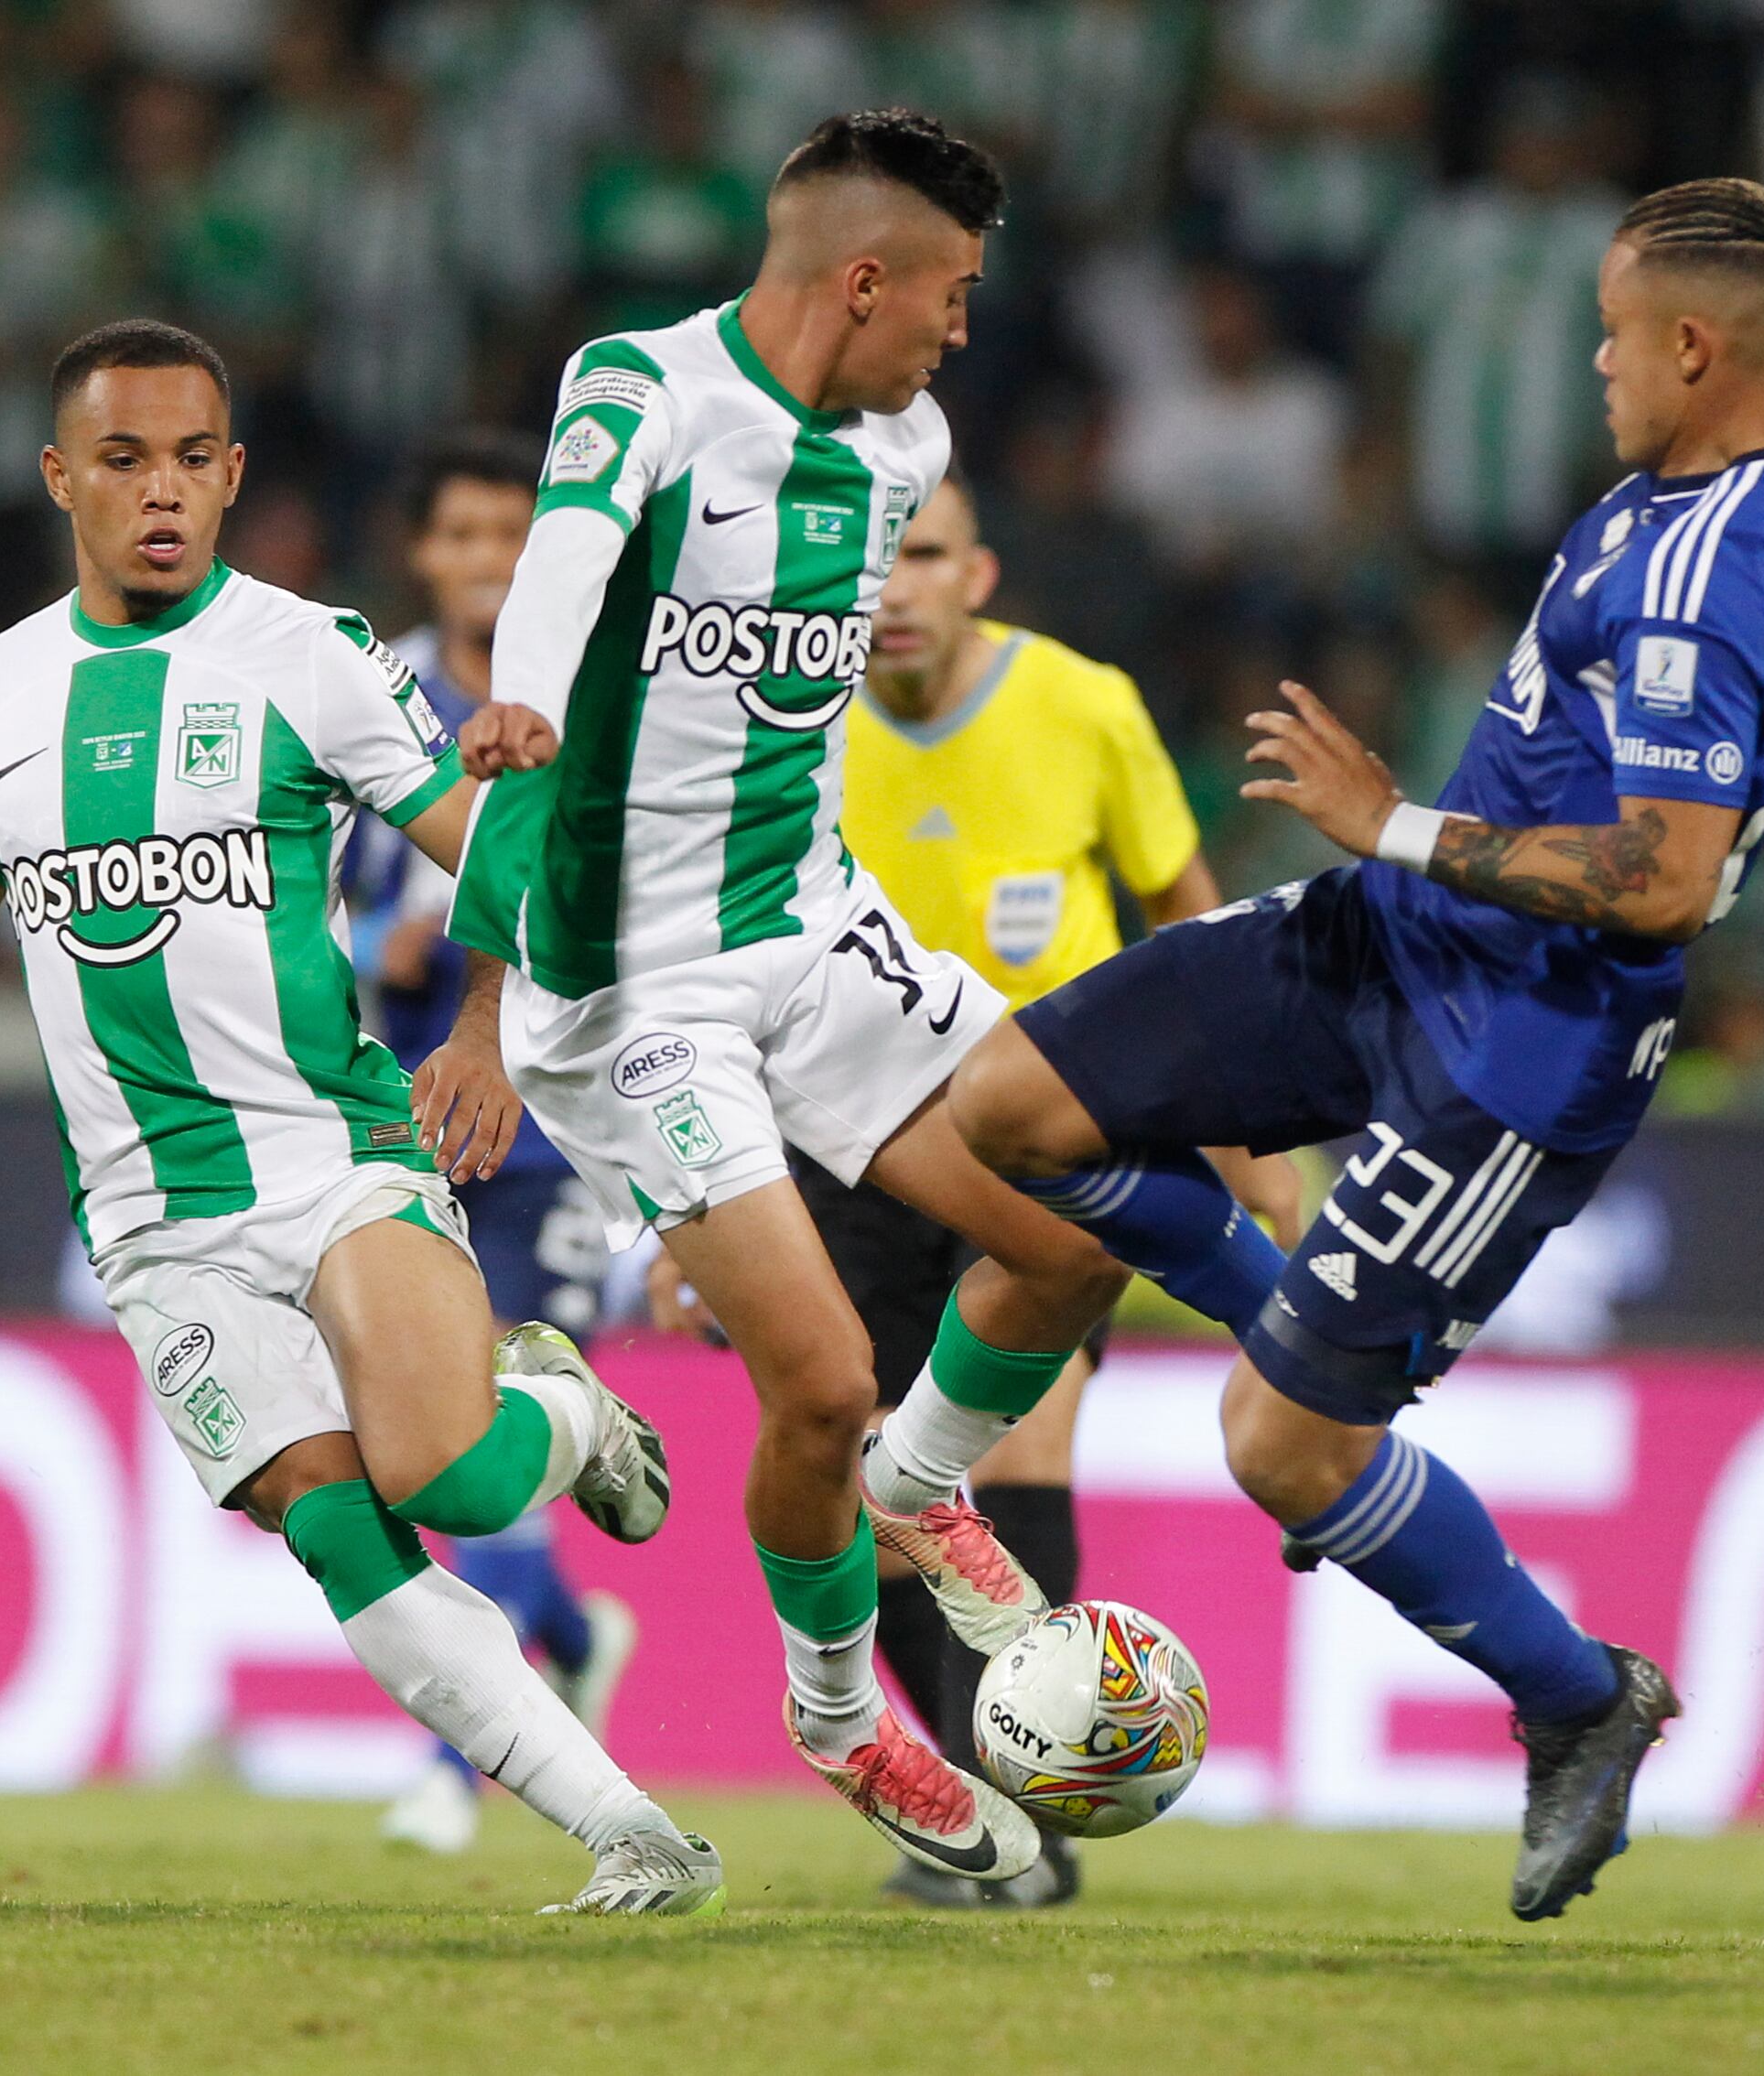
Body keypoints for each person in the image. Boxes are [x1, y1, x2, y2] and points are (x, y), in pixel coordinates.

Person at [946, 177, 1764, 1921]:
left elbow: (1662, 882)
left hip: (1519, 1045)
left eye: (1617, 335)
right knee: (1008, 1105)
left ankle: (1578, 1697)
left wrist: (1393, 821)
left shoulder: (1713, 572)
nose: (1597, 363)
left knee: (1284, 1449)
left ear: (1697, 347)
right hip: (1396, 940)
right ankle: (1299, 1311)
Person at [0, 320, 720, 1919]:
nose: (160, 490)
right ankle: (635, 1832)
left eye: (191, 459)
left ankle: (568, 1420)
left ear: (232, 473)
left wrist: (492, 1028)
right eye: (122, 459)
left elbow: (494, 839)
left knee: (449, 1469)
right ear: (58, 478)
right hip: (152, 1218)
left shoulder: (313, 655)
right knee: (343, 1534)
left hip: (334, 1150)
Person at [449, 110, 1134, 1884]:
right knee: (818, 1382)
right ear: (862, 279)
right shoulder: (644, 391)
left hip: (812, 929)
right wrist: (525, 699)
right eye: (952, 294)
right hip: (636, 988)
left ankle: (920, 1489)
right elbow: (563, 556)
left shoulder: (902, 445)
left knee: (1074, 1224)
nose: (961, 331)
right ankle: (839, 1718)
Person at [651, 466, 1299, 1907]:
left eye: (926, 556)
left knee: (1003, 1464)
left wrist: (1262, 1154)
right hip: (838, 1144)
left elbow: (1191, 925)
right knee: (858, 1476)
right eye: (876, 562)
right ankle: (976, 1813)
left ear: (979, 573)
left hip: (1053, 1144)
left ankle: (1040, 1823)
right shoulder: (781, 729)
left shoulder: (1084, 707)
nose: (893, 590)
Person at [349, 432, 640, 1858]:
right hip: (404, 1116)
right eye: (460, 535)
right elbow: (294, 890)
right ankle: (572, 1636)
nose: (485, 560)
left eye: (510, 537)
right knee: (431, 1440)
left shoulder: (598, 690)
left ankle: (450, 1772)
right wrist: (373, 938)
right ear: (422, 552)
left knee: (477, 1413)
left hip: (567, 1129)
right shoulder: (366, 689)